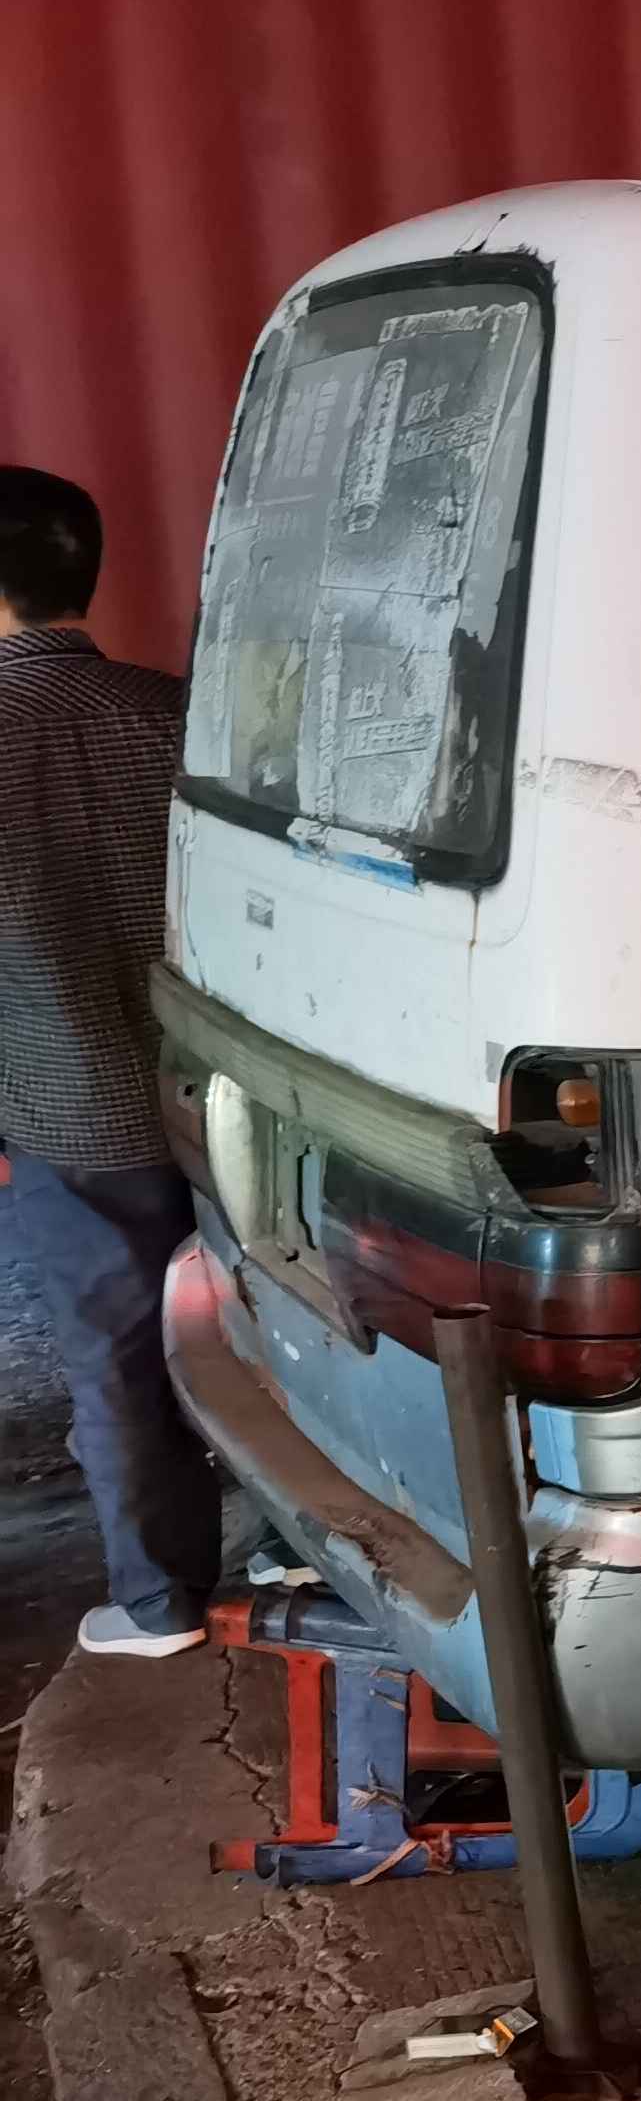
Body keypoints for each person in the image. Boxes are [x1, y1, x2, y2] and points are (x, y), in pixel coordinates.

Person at [0, 468, 220, 1656]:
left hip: (69, 1107)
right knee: (266, 1330)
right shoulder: (182, 714)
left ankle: (161, 1600)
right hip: (229, 1093)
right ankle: (300, 1546)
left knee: (117, 1356)